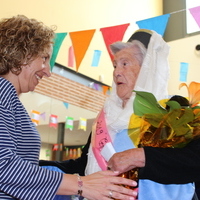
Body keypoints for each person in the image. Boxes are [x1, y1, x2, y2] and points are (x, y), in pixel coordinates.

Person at [40, 29, 197, 199]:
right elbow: (83, 167)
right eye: (115, 65)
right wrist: (34, 167)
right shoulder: (106, 116)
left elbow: (194, 160)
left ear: (148, 68)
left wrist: (142, 157)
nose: (116, 72)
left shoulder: (172, 106)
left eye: (125, 64)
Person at [0, 15, 138, 200]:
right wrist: (81, 185)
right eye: (44, 58)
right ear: (22, 54)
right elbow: (3, 166)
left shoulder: (10, 98)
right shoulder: (2, 92)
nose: (48, 72)